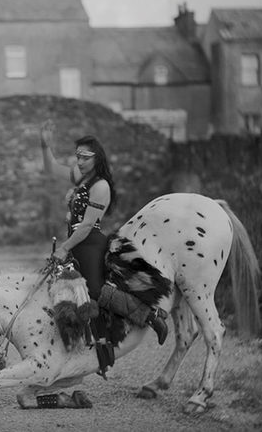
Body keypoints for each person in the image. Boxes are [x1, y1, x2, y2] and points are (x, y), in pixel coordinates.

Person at [39, 119, 168, 345]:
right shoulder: (82, 179)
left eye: (84, 157)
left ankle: (151, 316)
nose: (79, 161)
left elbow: (87, 225)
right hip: (77, 241)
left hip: (89, 242)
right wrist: (44, 145)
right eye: (77, 156)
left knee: (95, 290)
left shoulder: (101, 186)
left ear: (97, 158)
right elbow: (51, 168)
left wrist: (64, 247)